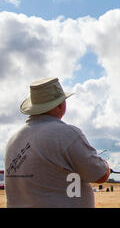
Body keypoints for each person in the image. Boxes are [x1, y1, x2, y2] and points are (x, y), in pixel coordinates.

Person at [4, 77, 110, 208]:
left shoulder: (13, 139)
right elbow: (99, 175)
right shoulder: (67, 134)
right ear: (61, 104)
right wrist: (105, 165)